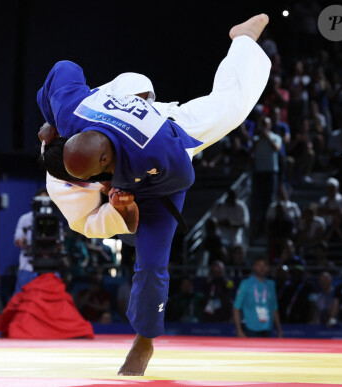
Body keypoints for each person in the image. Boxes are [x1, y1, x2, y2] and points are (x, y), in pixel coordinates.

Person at [38, 15, 271, 375]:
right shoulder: (71, 121)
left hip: (163, 145)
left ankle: (243, 42)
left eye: (148, 99)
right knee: (140, 249)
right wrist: (50, 113)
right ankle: (144, 333)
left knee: (230, 108)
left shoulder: (158, 143)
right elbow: (63, 68)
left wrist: (128, 193)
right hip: (111, 153)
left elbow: (182, 177)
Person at [233, 257, 282, 338]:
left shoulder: (271, 284)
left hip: (267, 328)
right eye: (259, 265)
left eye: (264, 265)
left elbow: (274, 308)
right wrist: (239, 330)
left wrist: (279, 330)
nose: (262, 268)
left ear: (268, 267)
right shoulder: (245, 284)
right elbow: (236, 308)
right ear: (254, 267)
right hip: (249, 328)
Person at [13, 188, 49, 293]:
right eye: (41, 201)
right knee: (22, 298)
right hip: (28, 265)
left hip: (48, 265)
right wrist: (23, 241)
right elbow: (17, 240)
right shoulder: (25, 219)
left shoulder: (54, 220)